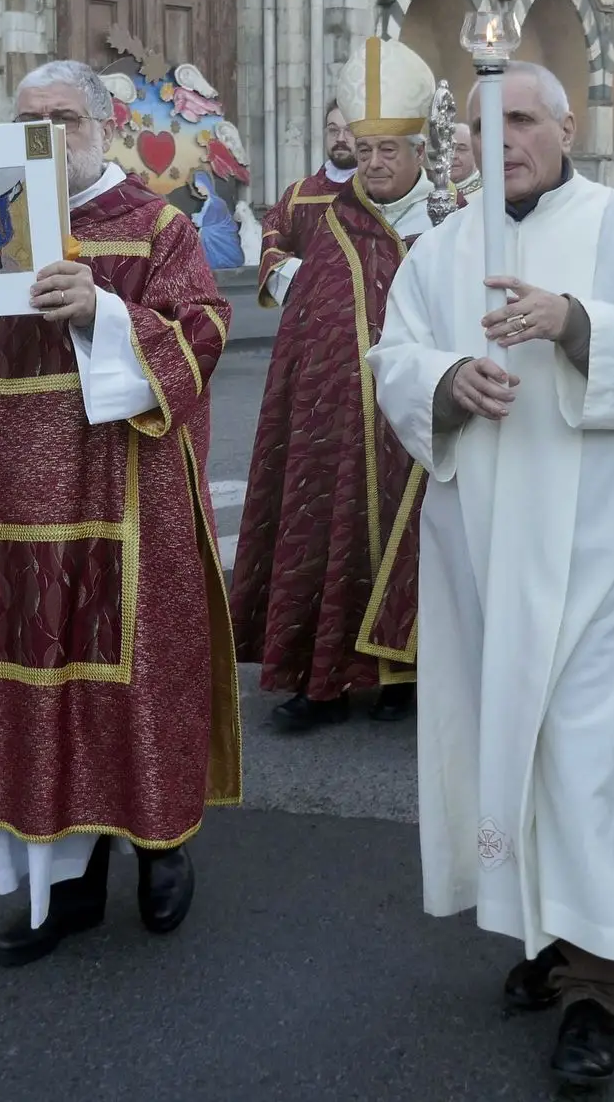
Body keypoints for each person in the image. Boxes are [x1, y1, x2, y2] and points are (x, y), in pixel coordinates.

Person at [365, 61, 614, 1087]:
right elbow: (393, 358)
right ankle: (546, 936)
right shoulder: (439, 247)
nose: (503, 138)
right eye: (484, 124)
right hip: (481, 544)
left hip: (601, 547)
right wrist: (443, 377)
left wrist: (572, 323)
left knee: (584, 750)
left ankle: (597, 984)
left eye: (521, 119)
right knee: (505, 740)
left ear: (566, 127)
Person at [0, 59, 237, 968]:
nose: (41, 135)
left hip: (127, 497)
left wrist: (105, 312)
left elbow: (203, 337)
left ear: (102, 129)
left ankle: (161, 847)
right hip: (8, 500)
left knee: (132, 685)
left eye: (61, 120)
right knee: (33, 690)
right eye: (25, 118)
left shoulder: (157, 225)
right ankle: (65, 889)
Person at [234, 39, 434, 732]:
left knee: (419, 543)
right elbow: (308, 335)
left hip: (422, 425)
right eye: (366, 148)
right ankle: (318, 679)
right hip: (336, 425)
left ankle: (406, 674)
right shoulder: (328, 221)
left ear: (418, 153)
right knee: (325, 531)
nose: (375, 164)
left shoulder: (452, 227)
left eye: (390, 151)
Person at [258, 101, 358, 306]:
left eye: (349, 131)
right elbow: (273, 244)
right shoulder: (298, 194)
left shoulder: (377, 191)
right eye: (333, 130)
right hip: (309, 314)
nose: (340, 138)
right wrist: (303, 276)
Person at [448, 120, 481, 204]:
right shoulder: (430, 192)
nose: (453, 156)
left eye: (461, 149)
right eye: (448, 149)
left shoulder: (488, 194)